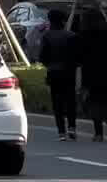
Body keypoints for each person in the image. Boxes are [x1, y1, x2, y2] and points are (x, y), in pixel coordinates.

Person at [77, 5, 107, 141]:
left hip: (90, 73)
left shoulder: (83, 36)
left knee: (95, 102)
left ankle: (98, 133)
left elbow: (79, 58)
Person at [38, 8, 80, 140]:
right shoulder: (71, 36)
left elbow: (42, 56)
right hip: (69, 72)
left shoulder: (46, 36)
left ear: (50, 21)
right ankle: (72, 127)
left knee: (57, 102)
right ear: (63, 21)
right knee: (70, 100)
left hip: (53, 72)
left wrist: (49, 64)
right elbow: (77, 56)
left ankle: (61, 131)